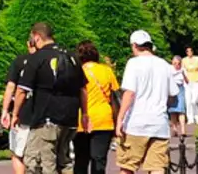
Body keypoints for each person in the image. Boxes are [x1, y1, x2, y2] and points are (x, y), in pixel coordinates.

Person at [14, 22, 83, 174]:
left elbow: (21, 90)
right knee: (64, 161)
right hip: (69, 119)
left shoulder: (37, 58)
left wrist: (15, 114)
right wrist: (84, 114)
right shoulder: (72, 57)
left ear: (37, 37)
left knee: (40, 162)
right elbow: (83, 89)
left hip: (46, 119)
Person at [114, 30, 180, 174]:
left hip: (136, 123)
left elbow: (129, 93)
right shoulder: (164, 65)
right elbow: (173, 94)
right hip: (159, 124)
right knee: (157, 166)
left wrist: (119, 119)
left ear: (135, 45)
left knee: (127, 166)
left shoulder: (133, 63)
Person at [71, 40, 118, 174]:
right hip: (104, 119)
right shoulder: (106, 70)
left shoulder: (77, 71)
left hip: (81, 120)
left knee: (81, 160)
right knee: (99, 159)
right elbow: (114, 98)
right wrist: (117, 121)